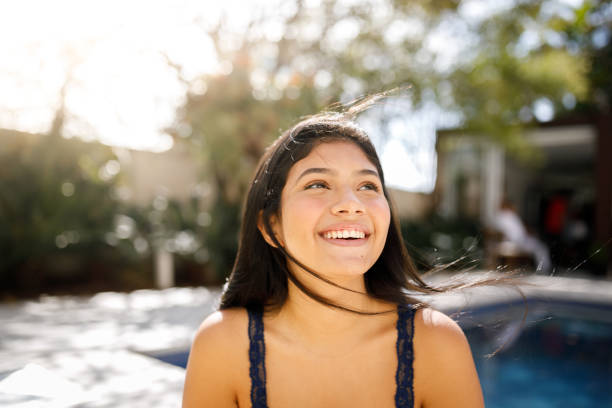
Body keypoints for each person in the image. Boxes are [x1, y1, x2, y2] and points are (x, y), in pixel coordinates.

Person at [182, 97, 484, 407]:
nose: (352, 203)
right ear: (272, 226)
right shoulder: (223, 346)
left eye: (367, 186)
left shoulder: (437, 345)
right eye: (318, 184)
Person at [494, 199, 552, 273]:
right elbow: (516, 234)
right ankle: (544, 270)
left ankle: (543, 269)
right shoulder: (508, 216)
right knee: (542, 248)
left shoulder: (503, 216)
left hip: (517, 241)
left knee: (540, 246)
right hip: (518, 242)